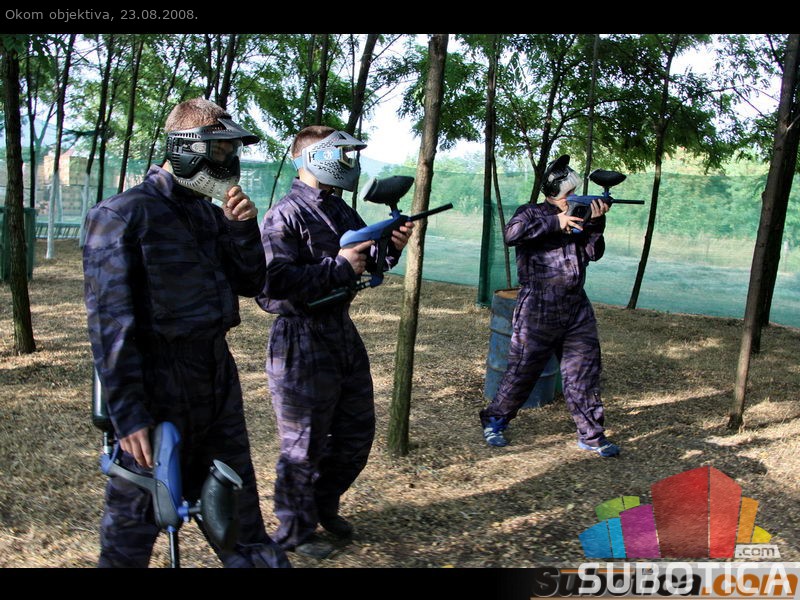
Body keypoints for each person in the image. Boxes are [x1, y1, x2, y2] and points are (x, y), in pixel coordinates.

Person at [83, 97, 292, 568]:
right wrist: (129, 415)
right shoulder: (122, 215)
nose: (228, 162)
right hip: (156, 387)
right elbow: (111, 326)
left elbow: (251, 283)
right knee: (131, 535)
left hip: (215, 377)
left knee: (239, 519)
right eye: (218, 151)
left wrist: (242, 229)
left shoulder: (208, 214)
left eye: (231, 152)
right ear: (184, 146)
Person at [256, 125, 414, 559]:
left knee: (355, 434)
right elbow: (271, 289)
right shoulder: (284, 214)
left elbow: (368, 260)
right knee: (303, 445)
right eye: (340, 155)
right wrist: (338, 267)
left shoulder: (341, 209)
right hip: (300, 338)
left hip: (341, 333)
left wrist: (391, 246)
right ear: (312, 158)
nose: (348, 164)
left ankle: (323, 505)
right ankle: (295, 531)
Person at [478, 154, 621, 458]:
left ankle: (591, 435)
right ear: (554, 191)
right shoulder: (530, 212)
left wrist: (597, 223)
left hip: (575, 306)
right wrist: (557, 221)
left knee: (584, 371)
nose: (574, 197)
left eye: (575, 192)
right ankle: (494, 420)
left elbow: (594, 253)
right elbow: (512, 234)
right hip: (538, 307)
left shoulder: (581, 214)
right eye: (570, 192)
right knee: (523, 371)